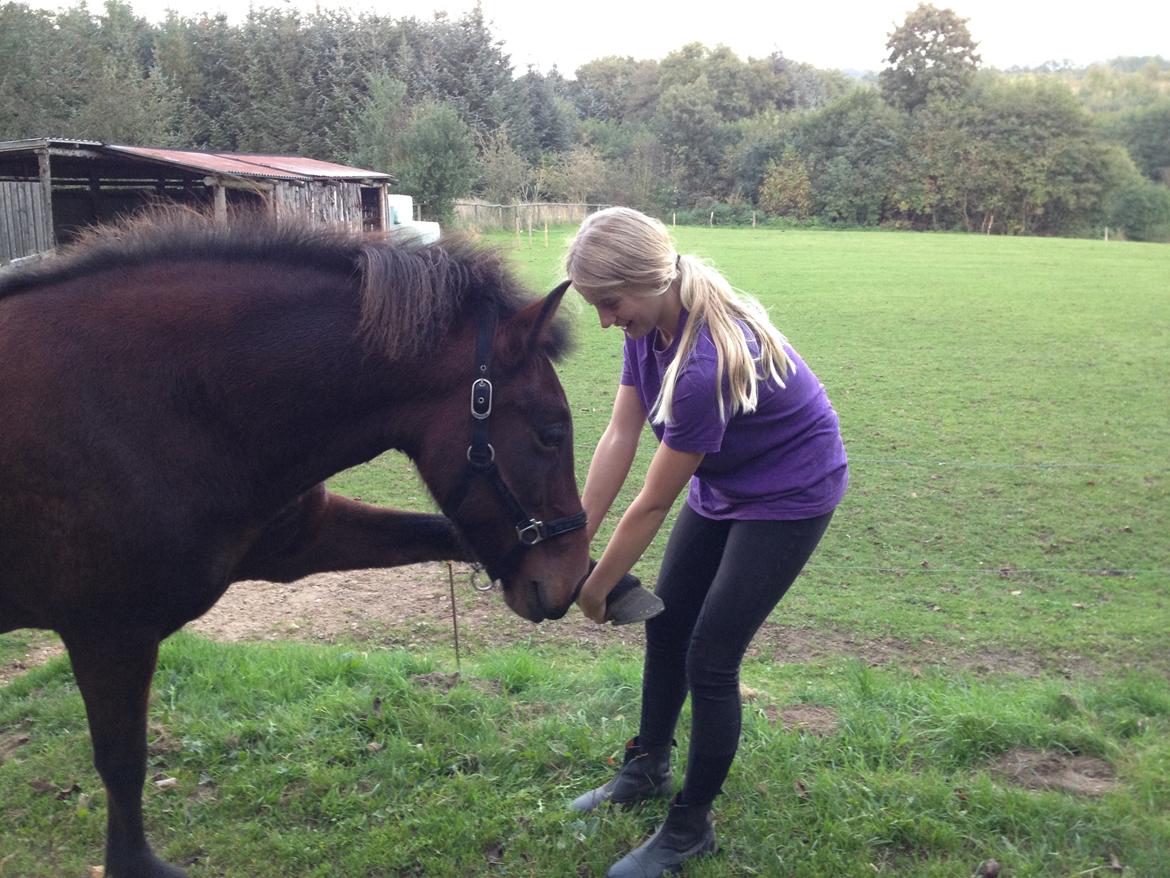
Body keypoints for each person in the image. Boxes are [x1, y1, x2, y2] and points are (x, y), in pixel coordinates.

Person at [566, 207, 848, 878]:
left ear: (647, 279)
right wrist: (574, 542)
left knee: (711, 657)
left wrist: (598, 587)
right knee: (667, 627)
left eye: (610, 304)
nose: (606, 321)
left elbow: (654, 501)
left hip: (789, 492)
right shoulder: (649, 327)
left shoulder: (702, 365)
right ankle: (649, 767)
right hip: (725, 480)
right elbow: (619, 436)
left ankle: (690, 826)